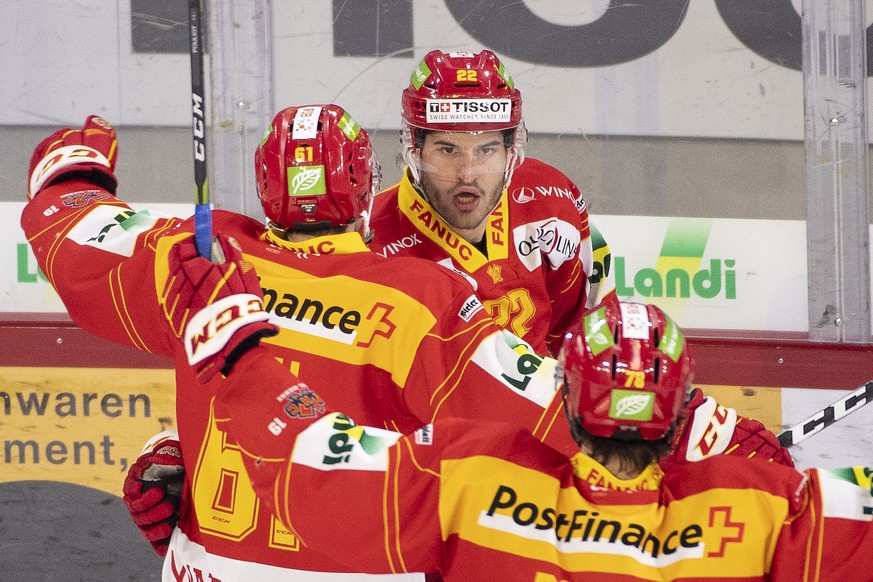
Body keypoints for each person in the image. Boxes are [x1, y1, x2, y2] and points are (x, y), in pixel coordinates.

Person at [21, 108, 588, 580]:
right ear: (367, 191)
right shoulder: (422, 300)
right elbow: (560, 422)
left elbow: (66, 232)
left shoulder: (197, 260)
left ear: (266, 188)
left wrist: (72, 168)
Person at [160, 254, 873, 581]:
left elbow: (312, 458)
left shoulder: (475, 474)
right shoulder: (763, 510)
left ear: (560, 398)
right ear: (682, 405)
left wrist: (241, 354)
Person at [369, 49, 615, 358]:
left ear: (511, 150)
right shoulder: (370, 245)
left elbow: (586, 336)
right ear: (415, 150)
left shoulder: (552, 200)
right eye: (448, 150)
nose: (468, 173)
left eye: (486, 149)